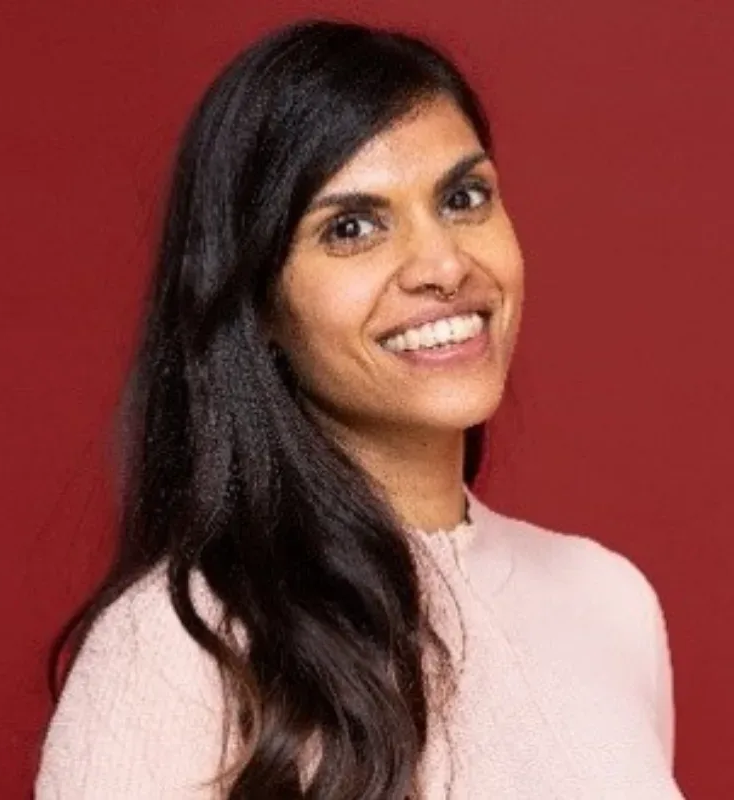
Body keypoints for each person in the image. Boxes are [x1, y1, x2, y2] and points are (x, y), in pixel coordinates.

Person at [35, 19, 684, 799]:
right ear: (258, 304)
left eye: (464, 197)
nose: (444, 265)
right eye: (351, 227)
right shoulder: (182, 648)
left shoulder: (608, 601)